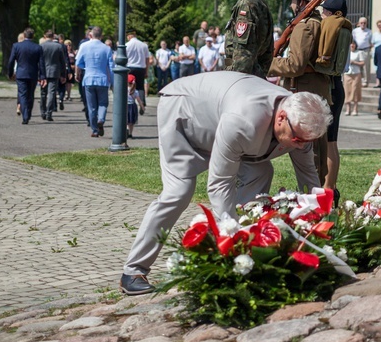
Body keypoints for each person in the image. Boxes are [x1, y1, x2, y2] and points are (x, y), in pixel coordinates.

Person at [119, 71, 332, 295]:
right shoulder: (243, 121)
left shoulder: (299, 124)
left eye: (307, 142)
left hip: (221, 120)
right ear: (281, 118)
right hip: (184, 115)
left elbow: (308, 175)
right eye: (297, 140)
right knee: (178, 191)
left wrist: (318, 223)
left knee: (260, 172)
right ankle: (133, 271)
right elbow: (220, 183)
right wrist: (229, 233)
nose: (300, 146)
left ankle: (248, 249)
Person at [268, 0, 330, 184]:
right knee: (316, 152)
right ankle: (317, 194)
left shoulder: (304, 27)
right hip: (315, 92)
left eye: (294, 1)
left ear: (302, 3)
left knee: (310, 154)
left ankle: (314, 197)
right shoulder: (318, 22)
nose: (292, 6)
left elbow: (295, 65)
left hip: (303, 94)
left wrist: (266, 63)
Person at [318, 0, 353, 206]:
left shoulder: (335, 29)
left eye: (325, 12)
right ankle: (328, 189)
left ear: (333, 14)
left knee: (329, 142)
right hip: (336, 85)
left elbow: (326, 63)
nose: (323, 16)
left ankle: (329, 190)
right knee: (330, 141)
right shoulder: (345, 29)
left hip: (331, 85)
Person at [223, 0, 274, 78]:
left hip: (242, 80)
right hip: (255, 77)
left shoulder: (247, 4)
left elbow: (243, 53)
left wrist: (236, 80)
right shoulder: (261, 3)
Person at [75, 26, 114, 137]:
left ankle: (95, 130)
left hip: (88, 78)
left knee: (91, 106)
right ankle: (101, 119)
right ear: (101, 36)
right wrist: (112, 81)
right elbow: (111, 67)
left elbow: (78, 63)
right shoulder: (106, 48)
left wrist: (80, 71)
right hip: (102, 80)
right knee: (103, 103)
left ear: (91, 35)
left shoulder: (84, 46)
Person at [7, 28, 46, 125]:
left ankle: (25, 116)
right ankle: (28, 113)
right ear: (33, 36)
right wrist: (42, 76)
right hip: (33, 74)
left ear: (24, 36)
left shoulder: (16, 46)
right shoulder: (37, 47)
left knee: (23, 94)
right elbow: (41, 64)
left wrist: (10, 73)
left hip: (21, 74)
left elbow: (11, 61)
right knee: (30, 95)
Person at [39, 30, 67, 122]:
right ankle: (49, 113)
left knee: (43, 92)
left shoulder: (41, 46)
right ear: (53, 37)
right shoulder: (58, 46)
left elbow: (38, 61)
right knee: (51, 92)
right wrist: (63, 74)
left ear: (44, 36)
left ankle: (43, 112)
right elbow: (62, 61)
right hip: (54, 71)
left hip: (43, 71)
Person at [125, 30, 150, 113]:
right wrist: (146, 71)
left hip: (130, 67)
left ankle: (129, 101)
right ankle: (142, 102)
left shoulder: (127, 45)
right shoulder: (144, 45)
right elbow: (147, 59)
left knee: (129, 86)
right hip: (141, 67)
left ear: (129, 36)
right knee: (140, 87)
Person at [343, 42, 365, 116]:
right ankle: (348, 109)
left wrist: (354, 62)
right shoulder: (346, 53)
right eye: (351, 44)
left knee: (355, 90)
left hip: (356, 73)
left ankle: (355, 109)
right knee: (347, 91)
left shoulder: (359, 53)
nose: (352, 45)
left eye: (353, 44)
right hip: (347, 74)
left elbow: (362, 63)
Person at [352, 17, 373, 87]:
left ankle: (366, 81)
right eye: (361, 23)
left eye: (364, 23)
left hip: (365, 50)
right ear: (359, 23)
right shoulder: (355, 31)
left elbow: (371, 42)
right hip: (357, 50)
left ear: (366, 23)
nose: (363, 24)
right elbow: (352, 40)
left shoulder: (369, 31)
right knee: (358, 66)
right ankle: (359, 81)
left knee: (365, 67)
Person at [126, 73, 143, 139]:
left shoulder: (124, 90)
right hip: (132, 106)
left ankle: (126, 129)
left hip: (126, 106)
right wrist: (142, 107)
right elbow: (138, 100)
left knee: (126, 120)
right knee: (131, 122)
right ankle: (130, 133)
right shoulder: (135, 91)